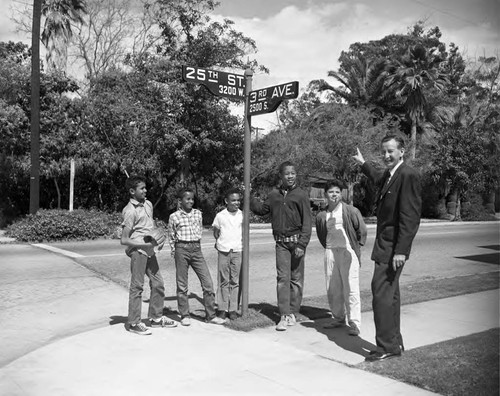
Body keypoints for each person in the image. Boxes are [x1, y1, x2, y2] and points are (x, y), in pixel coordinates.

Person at [353, 135, 422, 361]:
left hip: (393, 248)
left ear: (402, 152)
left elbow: (410, 217)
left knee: (381, 293)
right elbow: (376, 177)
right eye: (383, 151)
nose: (386, 156)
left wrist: (401, 250)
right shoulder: (391, 175)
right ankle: (394, 341)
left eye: (390, 151)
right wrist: (363, 163)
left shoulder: (407, 175)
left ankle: (385, 347)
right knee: (390, 296)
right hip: (386, 245)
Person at [250, 161, 312, 331]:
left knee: (296, 280)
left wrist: (302, 243)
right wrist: (249, 197)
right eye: (287, 174)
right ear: (281, 176)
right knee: (282, 279)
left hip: (297, 243)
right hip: (281, 244)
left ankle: (293, 312)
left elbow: (307, 221)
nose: (290, 176)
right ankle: (284, 314)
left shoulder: (301, 195)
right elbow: (262, 210)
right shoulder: (274, 195)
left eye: (293, 173)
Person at [120, 175, 178, 336]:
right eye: (142, 188)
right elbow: (124, 240)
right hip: (139, 251)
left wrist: (157, 235)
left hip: (150, 250)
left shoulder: (149, 204)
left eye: (145, 188)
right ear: (132, 191)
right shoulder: (129, 211)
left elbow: (149, 225)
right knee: (137, 287)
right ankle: (133, 322)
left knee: (158, 283)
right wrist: (143, 244)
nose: (146, 190)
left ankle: (156, 318)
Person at [315, 179, 367, 336]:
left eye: (337, 192)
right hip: (331, 251)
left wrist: (356, 248)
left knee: (350, 287)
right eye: (331, 192)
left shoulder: (350, 211)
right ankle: (338, 318)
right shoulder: (322, 215)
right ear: (325, 194)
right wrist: (329, 247)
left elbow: (361, 231)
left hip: (347, 251)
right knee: (333, 287)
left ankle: (355, 323)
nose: (334, 195)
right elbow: (321, 233)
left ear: (341, 194)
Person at [167, 187, 226, 326]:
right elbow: (171, 235)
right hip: (181, 249)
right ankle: (184, 315)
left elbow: (199, 229)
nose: (190, 201)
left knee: (208, 283)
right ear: (180, 201)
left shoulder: (198, 214)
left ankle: (210, 315)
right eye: (187, 199)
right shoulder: (174, 216)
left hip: (196, 249)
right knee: (182, 285)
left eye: (192, 199)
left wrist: (196, 244)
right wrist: (174, 250)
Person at [212, 188, 243, 321]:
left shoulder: (242, 215)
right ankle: (222, 308)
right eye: (233, 200)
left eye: (238, 200)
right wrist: (219, 242)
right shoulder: (220, 216)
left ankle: (233, 309)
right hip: (224, 250)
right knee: (223, 280)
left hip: (237, 250)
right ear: (226, 201)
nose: (236, 203)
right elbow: (216, 231)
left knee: (234, 281)